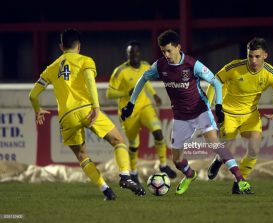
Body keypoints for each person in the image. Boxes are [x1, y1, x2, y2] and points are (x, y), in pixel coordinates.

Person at [121, 29, 252, 195]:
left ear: (178, 47)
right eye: (163, 51)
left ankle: (241, 180)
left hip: (200, 110)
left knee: (215, 144)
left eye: (169, 50)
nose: (166, 54)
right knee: (177, 160)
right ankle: (190, 175)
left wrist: (218, 106)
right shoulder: (160, 65)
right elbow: (143, 79)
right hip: (181, 117)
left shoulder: (192, 64)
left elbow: (217, 83)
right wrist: (131, 104)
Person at [28, 28, 146, 201]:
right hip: (86, 109)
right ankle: (125, 176)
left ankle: (105, 190)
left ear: (61, 46)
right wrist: (96, 107)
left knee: (82, 155)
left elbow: (32, 95)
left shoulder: (51, 68)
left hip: (66, 117)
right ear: (79, 45)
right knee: (118, 141)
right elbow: (90, 82)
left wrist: (38, 110)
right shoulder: (85, 61)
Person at [206, 37, 273, 194]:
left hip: (250, 115)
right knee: (228, 150)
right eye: (250, 56)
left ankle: (239, 182)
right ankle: (219, 159)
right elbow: (215, 81)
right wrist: (208, 106)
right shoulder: (235, 67)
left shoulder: (270, 74)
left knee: (254, 149)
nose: (253, 60)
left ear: (265, 55)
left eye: (257, 56)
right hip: (228, 113)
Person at [106, 41, 177, 185]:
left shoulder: (145, 66)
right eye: (131, 53)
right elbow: (109, 93)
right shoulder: (120, 71)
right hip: (129, 111)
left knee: (158, 132)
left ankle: (163, 164)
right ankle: (133, 172)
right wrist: (126, 92)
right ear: (128, 55)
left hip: (145, 106)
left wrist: (154, 94)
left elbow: (146, 82)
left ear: (140, 53)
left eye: (136, 52)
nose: (134, 55)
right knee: (133, 145)